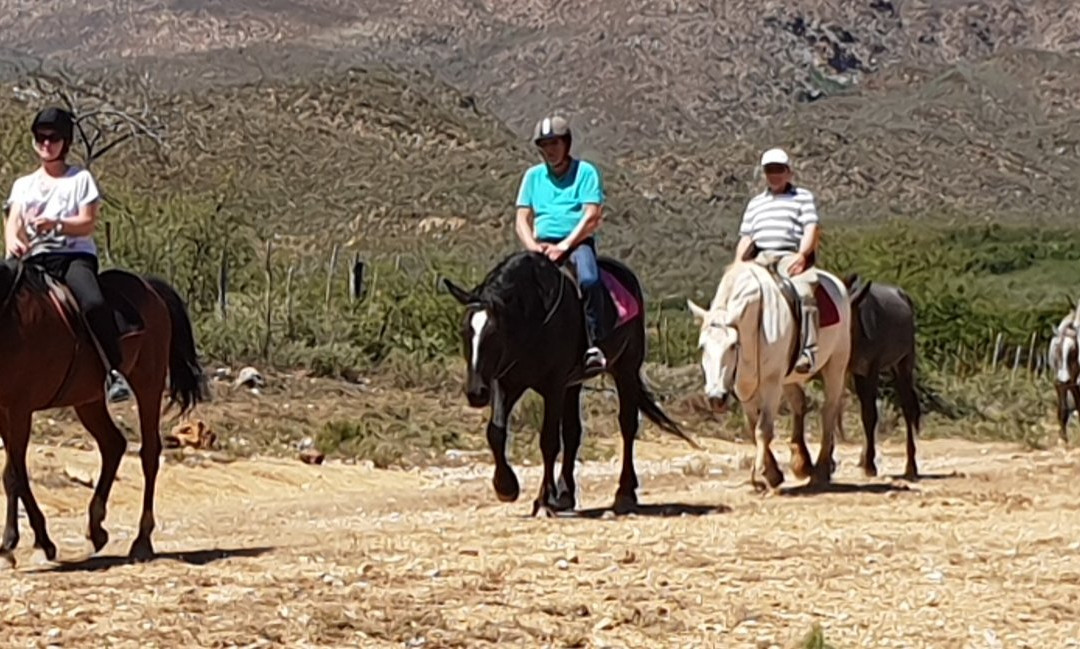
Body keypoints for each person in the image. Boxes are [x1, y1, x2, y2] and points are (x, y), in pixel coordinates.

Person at [4, 106, 131, 400]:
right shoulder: (23, 185)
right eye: (40, 137)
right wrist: (14, 243)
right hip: (34, 258)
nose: (46, 143)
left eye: (53, 138)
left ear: (65, 142)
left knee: (92, 302)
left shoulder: (80, 179)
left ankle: (114, 373)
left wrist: (56, 224)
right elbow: (13, 222)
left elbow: (86, 224)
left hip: (72, 256)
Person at [514, 115, 607, 376]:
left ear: (566, 144)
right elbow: (522, 218)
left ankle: (593, 344)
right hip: (540, 246)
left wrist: (565, 246)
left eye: (554, 143)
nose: (550, 150)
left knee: (589, 279)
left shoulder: (586, 173)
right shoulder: (532, 177)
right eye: (544, 145)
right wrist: (532, 246)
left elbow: (591, 216)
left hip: (576, 243)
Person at [735, 147, 822, 374]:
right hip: (760, 257)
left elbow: (810, 228)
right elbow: (747, 237)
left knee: (804, 291)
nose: (774, 175)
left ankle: (807, 350)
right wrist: (737, 265)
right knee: (736, 296)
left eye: (778, 170)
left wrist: (802, 255)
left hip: (789, 253)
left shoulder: (802, 197)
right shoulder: (755, 203)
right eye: (769, 170)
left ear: (788, 172)